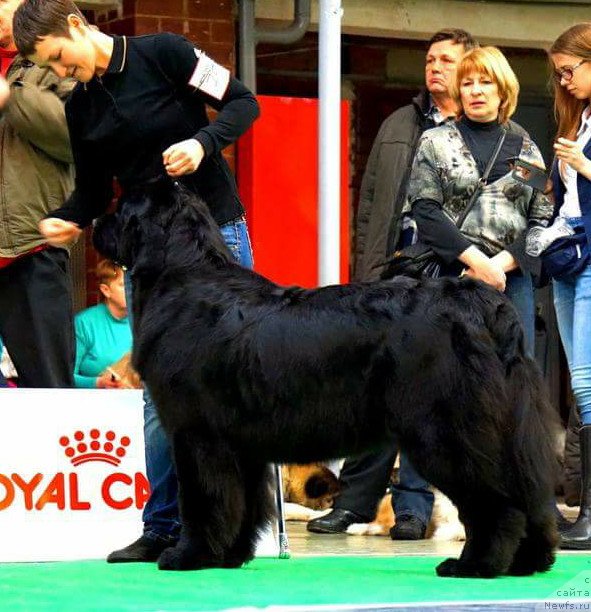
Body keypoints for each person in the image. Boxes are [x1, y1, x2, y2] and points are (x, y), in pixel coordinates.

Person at [13, 0, 259, 562]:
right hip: (151, 259)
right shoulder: (80, 110)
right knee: (160, 392)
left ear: (75, 25)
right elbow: (96, 193)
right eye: (48, 69)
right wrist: (69, 220)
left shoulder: (165, 53)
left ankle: (232, 525)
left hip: (218, 235)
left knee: (226, 383)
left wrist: (203, 143)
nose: (60, 72)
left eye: (58, 57)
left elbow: (244, 104)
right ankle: (163, 526)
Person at [308, 29, 478, 541]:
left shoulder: (482, 129)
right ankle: (354, 503)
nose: (435, 67)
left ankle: (411, 508)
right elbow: (371, 205)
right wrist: (366, 275)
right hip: (390, 278)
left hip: (446, 279)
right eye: (430, 59)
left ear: (470, 67)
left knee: (426, 398)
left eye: (446, 60)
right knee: (371, 393)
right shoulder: (398, 123)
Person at [407, 46, 552, 352]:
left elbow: (541, 220)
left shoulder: (523, 149)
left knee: (514, 376)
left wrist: (497, 266)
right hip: (452, 275)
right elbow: (425, 210)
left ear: (503, 90)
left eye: (485, 82)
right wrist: (478, 265)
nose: (476, 91)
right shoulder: (436, 141)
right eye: (467, 83)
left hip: (510, 281)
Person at [0, 0, 75, 388]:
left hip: (31, 246)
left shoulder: (57, 62)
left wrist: (12, 98)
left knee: (48, 390)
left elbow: (75, 137)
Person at [546, 23, 591, 550]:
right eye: (559, 73)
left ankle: (589, 514)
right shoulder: (576, 120)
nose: (564, 80)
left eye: (569, 70)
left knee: (587, 386)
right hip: (566, 256)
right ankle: (583, 512)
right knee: (580, 389)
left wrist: (584, 165)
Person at [74, 259, 132, 389]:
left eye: (133, 283)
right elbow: (64, 377)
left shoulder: (144, 322)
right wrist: (98, 383)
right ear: (106, 290)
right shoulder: (84, 323)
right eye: (124, 285)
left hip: (141, 403)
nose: (131, 289)